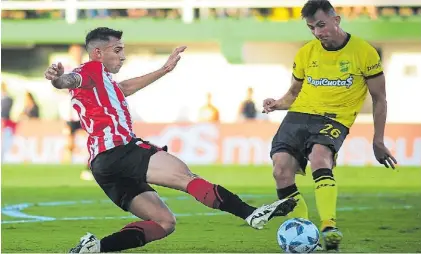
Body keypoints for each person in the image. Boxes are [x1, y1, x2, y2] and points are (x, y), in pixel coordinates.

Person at [44, 27, 297, 253]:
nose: (123, 56)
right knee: (187, 178)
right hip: (120, 150)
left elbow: (126, 88)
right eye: (117, 50)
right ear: (97, 52)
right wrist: (57, 78)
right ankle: (250, 213)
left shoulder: (103, 81)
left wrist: (165, 69)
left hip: (102, 165)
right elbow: (69, 80)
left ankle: (95, 248)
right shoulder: (90, 69)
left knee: (164, 223)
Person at [262, 0, 397, 251]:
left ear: (337, 20)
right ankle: (301, 228)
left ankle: (328, 227)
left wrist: (378, 139)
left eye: (322, 25)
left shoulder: (364, 52)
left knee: (320, 156)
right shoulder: (306, 52)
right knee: (280, 169)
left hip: (334, 118)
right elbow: (294, 93)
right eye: (312, 27)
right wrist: (277, 103)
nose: (318, 32)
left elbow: (380, 98)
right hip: (299, 115)